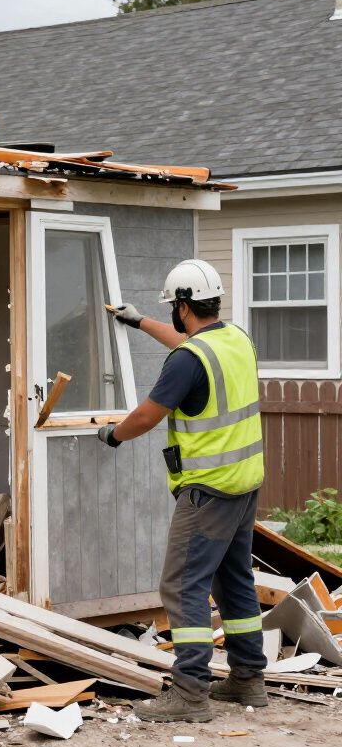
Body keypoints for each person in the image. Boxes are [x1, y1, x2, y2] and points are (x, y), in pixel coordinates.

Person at [100, 259, 266, 723]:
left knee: (181, 584)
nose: (173, 313)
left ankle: (191, 693)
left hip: (208, 490)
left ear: (185, 306)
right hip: (244, 483)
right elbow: (192, 347)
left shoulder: (189, 361)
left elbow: (147, 416)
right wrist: (140, 321)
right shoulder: (235, 339)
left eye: (173, 306)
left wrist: (114, 434)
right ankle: (249, 679)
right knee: (234, 580)